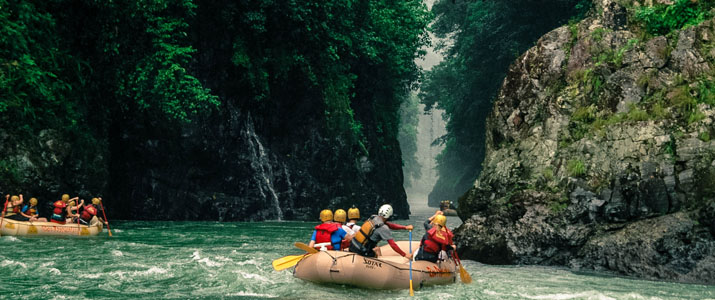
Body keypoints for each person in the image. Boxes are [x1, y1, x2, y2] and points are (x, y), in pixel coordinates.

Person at [349, 204, 413, 259]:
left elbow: (390, 225)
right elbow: (393, 245)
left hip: (352, 245)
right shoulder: (383, 228)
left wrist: (405, 227)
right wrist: (405, 255)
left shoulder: (373, 217)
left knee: (375, 249)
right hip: (361, 251)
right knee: (376, 254)